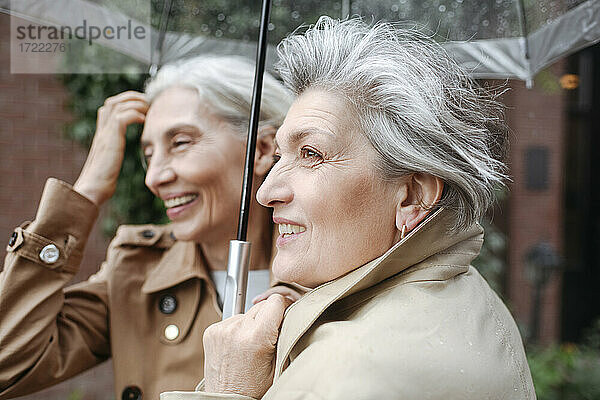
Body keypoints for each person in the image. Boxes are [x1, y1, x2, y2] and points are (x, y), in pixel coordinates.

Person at [161, 18, 535, 400]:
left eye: (311, 154)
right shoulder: (471, 300)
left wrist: (227, 390)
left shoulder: (345, 372)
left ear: (411, 196)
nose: (266, 191)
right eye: (279, 156)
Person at [0, 56, 296, 400]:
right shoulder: (137, 272)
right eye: (149, 155)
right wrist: (88, 191)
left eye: (180, 142)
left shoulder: (331, 272)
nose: (154, 178)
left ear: (261, 149)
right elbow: (8, 364)